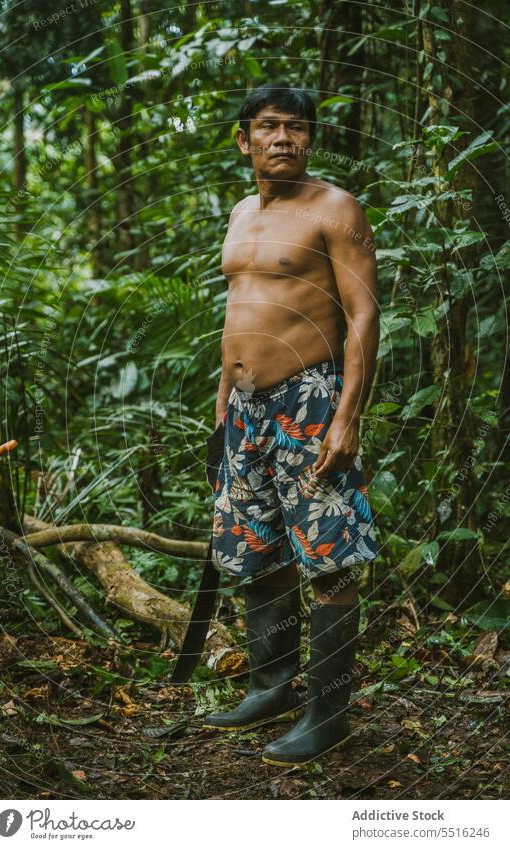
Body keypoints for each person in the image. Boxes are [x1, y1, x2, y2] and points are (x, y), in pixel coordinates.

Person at [203, 83, 380, 767]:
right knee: (258, 550)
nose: (284, 138)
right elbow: (242, 308)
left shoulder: (334, 208)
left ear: (311, 138)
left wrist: (346, 417)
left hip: (309, 399)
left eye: (297, 127)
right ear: (243, 139)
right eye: (269, 126)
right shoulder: (243, 210)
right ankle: (270, 686)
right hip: (243, 405)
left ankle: (325, 715)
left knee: (329, 557)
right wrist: (223, 397)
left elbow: (362, 314)